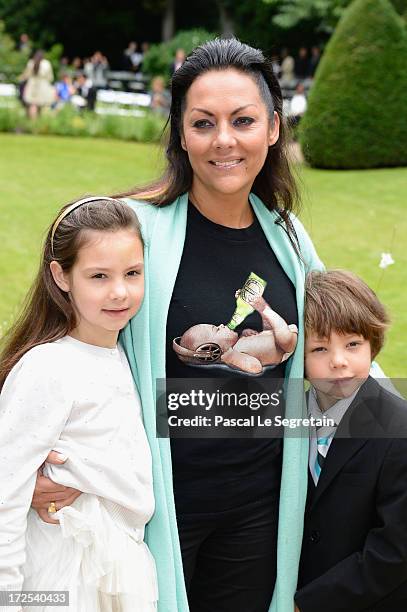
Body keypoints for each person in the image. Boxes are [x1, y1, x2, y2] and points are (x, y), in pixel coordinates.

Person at [32, 38, 324, 612]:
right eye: (202, 122)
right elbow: (54, 349)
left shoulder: (288, 237)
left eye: (242, 121)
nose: (224, 140)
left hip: (261, 509)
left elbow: (339, 347)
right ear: (180, 132)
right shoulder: (133, 229)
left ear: (272, 128)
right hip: (150, 503)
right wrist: (26, 460)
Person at [0, 197, 158, 611]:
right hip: (65, 572)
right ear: (62, 275)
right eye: (99, 276)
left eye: (132, 273)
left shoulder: (126, 355)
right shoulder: (48, 367)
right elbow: (6, 496)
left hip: (119, 567)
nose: (119, 292)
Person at [295, 270, 407, 612]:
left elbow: (395, 550)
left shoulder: (397, 428)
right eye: (319, 348)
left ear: (372, 343)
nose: (338, 361)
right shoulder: (285, 417)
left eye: (352, 344)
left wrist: (309, 604)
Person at [20, 50, 55, 119]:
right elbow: (50, 77)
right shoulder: (47, 63)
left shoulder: (31, 63)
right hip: (43, 86)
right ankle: (39, 124)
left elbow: (26, 75)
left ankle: (33, 123)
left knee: (33, 105)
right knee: (42, 106)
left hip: (32, 86)